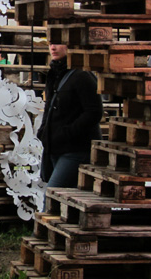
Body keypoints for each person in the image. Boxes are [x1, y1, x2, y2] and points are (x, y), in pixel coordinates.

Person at [37, 43, 103, 191]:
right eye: (50, 44)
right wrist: (44, 131)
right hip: (55, 148)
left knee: (52, 194)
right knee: (61, 198)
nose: (53, 48)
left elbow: (94, 112)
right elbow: (49, 106)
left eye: (58, 44)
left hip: (76, 150)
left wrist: (66, 133)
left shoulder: (82, 75)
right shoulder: (54, 74)